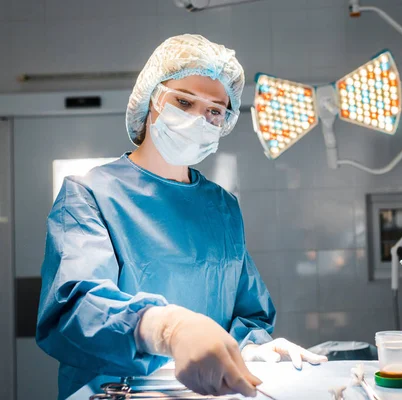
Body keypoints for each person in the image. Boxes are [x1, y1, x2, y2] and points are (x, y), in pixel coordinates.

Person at [36, 34, 326, 400]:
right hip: (118, 391)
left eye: (214, 110)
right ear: (151, 100)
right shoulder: (89, 194)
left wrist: (249, 348)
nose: (197, 118)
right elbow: (75, 311)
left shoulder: (222, 206)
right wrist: (167, 328)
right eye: (184, 101)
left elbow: (248, 309)